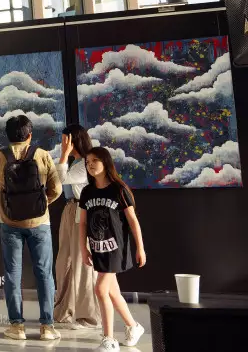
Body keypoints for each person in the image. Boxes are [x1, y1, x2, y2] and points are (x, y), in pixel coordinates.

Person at [0, 115, 62, 342]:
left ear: (8, 135)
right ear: (29, 135)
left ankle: (17, 327)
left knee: (12, 274)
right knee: (44, 273)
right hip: (40, 223)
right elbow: (57, 189)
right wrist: (41, 204)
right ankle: (47, 327)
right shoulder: (42, 155)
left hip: (9, 223)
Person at [80, 147, 147, 352]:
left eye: (94, 160)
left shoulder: (119, 189)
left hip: (116, 248)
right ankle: (133, 326)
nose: (90, 165)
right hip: (98, 248)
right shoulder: (87, 191)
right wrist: (84, 248)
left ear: (105, 162)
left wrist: (140, 248)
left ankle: (109, 339)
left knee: (100, 289)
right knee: (112, 292)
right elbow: (83, 223)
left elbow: (133, 220)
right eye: (87, 162)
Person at [54, 124, 100, 329]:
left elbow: (60, 179)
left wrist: (64, 155)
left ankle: (88, 317)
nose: (62, 144)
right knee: (64, 261)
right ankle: (64, 310)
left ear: (74, 141)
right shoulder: (77, 162)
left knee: (82, 263)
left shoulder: (86, 163)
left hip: (83, 210)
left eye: (65, 140)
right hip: (70, 209)